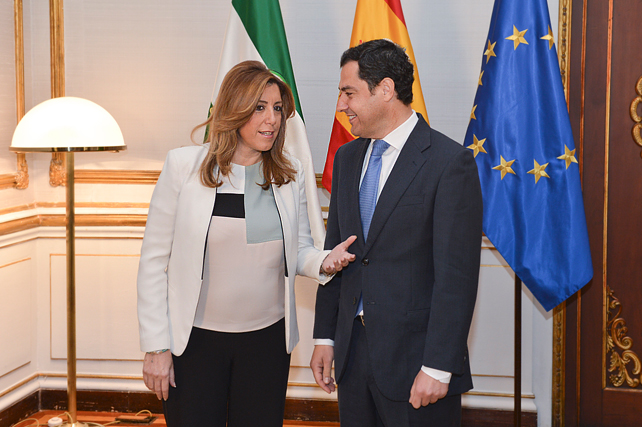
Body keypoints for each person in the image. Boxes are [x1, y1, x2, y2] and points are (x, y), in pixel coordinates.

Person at [137, 60, 355, 427]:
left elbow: (298, 250)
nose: (271, 119)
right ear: (234, 108)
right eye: (259, 108)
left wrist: (324, 262)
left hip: (266, 344)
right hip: (194, 344)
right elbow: (153, 263)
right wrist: (156, 346)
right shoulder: (183, 167)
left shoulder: (290, 173)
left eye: (277, 109)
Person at [310, 39, 483, 427]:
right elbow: (336, 252)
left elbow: (456, 278)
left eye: (349, 92)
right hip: (352, 361)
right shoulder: (347, 157)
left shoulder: (448, 163)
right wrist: (326, 337)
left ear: (385, 89)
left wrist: (439, 367)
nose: (341, 105)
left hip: (417, 367)